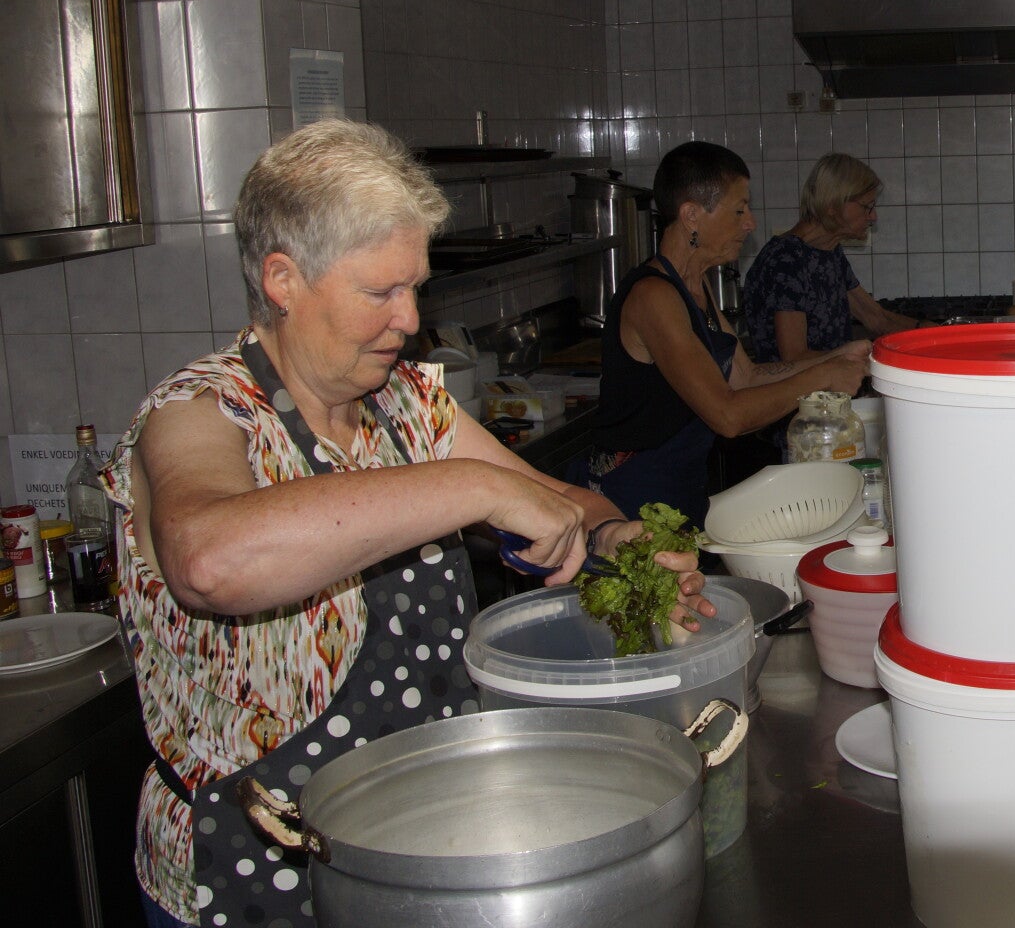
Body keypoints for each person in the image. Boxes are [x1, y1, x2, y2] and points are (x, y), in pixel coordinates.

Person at [107, 119, 715, 928]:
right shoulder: (197, 411)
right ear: (284, 280)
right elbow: (210, 562)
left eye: (416, 287)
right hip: (254, 875)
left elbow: (558, 500)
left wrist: (615, 540)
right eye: (380, 292)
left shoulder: (405, 406)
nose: (408, 318)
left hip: (418, 856)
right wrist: (471, 486)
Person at [588, 141, 868, 523]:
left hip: (678, 493)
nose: (750, 222)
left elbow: (746, 377)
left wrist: (838, 356)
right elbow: (728, 415)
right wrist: (824, 376)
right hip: (630, 502)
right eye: (739, 210)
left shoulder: (695, 286)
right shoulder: (654, 296)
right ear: (691, 215)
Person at [738, 152, 928, 363]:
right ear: (832, 205)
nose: (873, 217)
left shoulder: (828, 251)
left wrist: (932, 334)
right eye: (867, 206)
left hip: (832, 383)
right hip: (797, 386)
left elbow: (875, 318)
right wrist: (868, 362)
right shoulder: (786, 260)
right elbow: (794, 357)